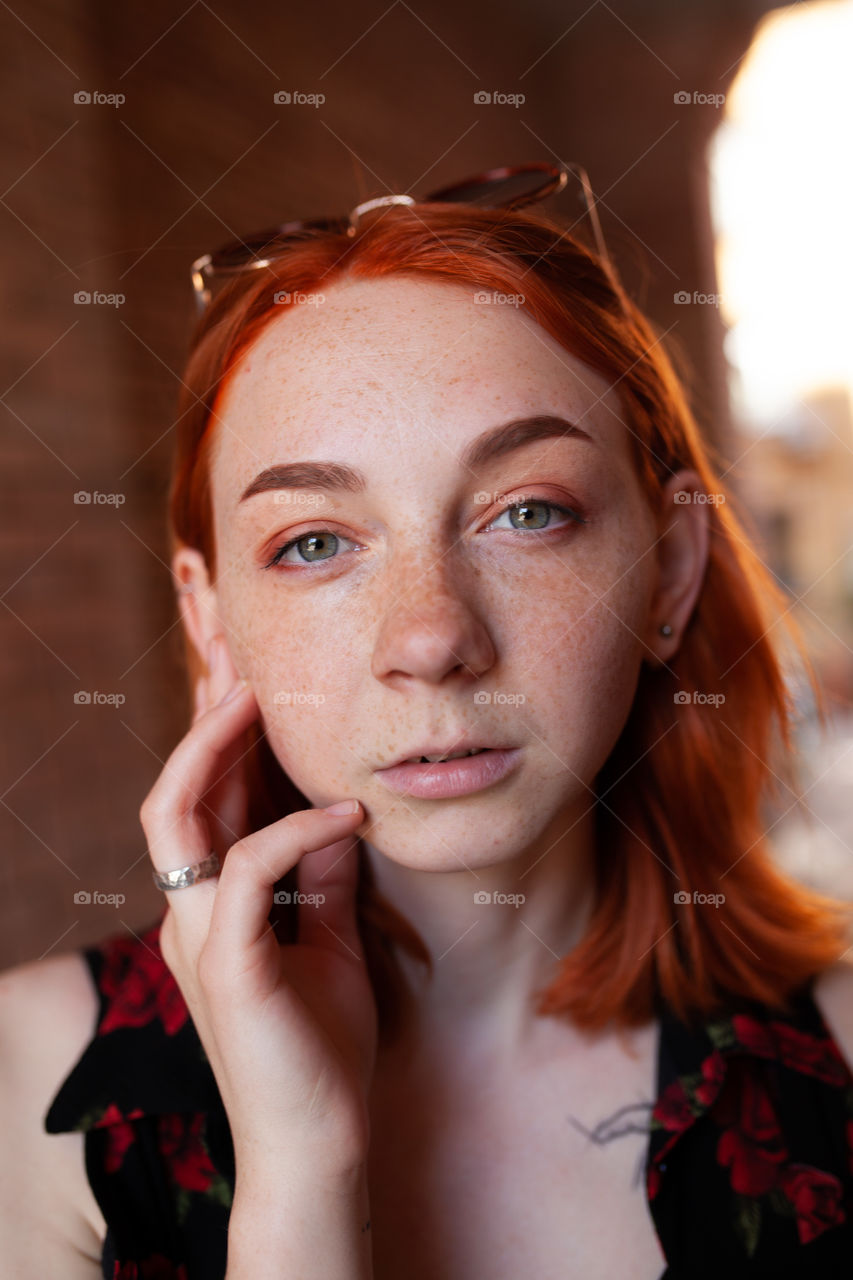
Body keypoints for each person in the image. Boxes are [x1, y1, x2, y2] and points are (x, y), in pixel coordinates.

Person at [2, 163, 853, 1280]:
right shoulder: (32, 1079)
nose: (430, 635)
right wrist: (303, 1172)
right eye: (314, 542)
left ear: (668, 574)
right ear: (212, 621)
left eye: (527, 512)